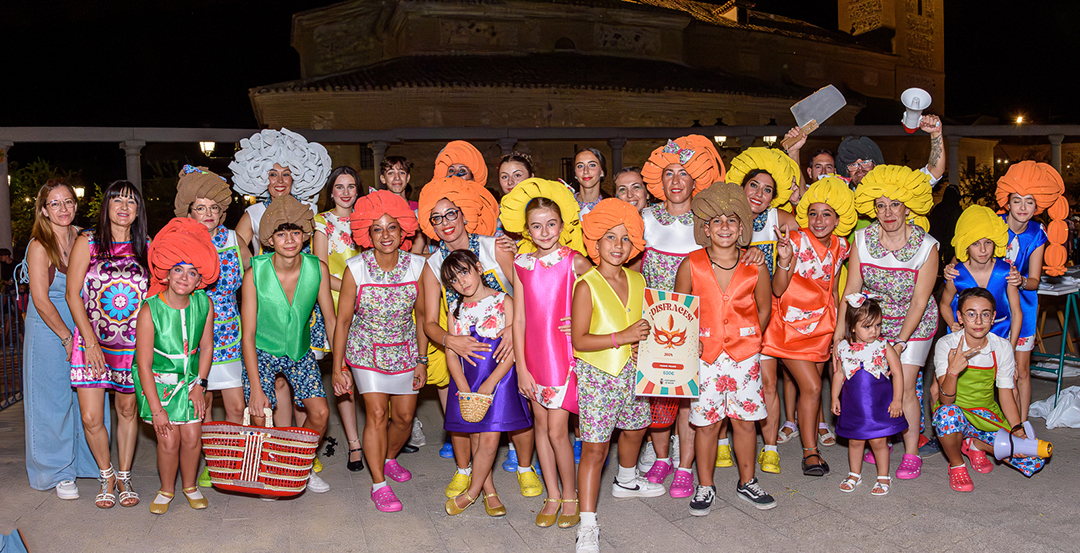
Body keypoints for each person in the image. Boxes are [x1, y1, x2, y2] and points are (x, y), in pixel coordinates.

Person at [416, 176, 541, 498]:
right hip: (465, 346)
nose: (445, 223)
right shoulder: (431, 265)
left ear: (464, 214)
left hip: (510, 340)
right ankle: (468, 470)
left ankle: (525, 467)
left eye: (451, 214)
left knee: (519, 410)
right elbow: (429, 321)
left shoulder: (494, 245)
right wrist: (449, 340)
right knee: (467, 412)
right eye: (436, 218)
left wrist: (516, 330)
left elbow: (525, 290)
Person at [674, 181, 776, 516]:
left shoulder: (755, 264)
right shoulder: (691, 264)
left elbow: (764, 308)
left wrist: (748, 337)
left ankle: (747, 481)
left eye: (732, 220)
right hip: (705, 356)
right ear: (705, 228)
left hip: (744, 355)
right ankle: (705, 485)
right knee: (706, 423)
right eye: (716, 221)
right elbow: (679, 311)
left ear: (742, 226)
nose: (724, 227)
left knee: (746, 422)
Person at [635, 135, 725, 498]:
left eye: (684, 174)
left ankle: (685, 466)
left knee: (690, 398)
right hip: (653, 325)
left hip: (696, 324)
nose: (675, 181)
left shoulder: (707, 222)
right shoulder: (643, 219)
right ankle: (661, 457)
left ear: (696, 181)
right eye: (669, 173)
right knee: (657, 396)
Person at [835, 165, 938, 481]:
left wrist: (901, 341)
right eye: (880, 205)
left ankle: (911, 452)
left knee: (904, 386)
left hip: (914, 324)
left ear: (908, 206)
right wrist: (841, 334)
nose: (888, 212)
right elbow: (851, 292)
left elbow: (920, 301)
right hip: (872, 323)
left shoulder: (927, 246)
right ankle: (880, 433)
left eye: (895, 204)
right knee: (869, 382)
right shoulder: (861, 240)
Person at [572, 199, 661, 553]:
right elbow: (579, 339)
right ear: (595, 243)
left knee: (637, 426)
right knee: (595, 449)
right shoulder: (586, 285)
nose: (617, 245)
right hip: (597, 376)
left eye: (625, 239)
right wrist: (621, 338)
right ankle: (587, 524)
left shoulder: (639, 280)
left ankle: (626, 479)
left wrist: (648, 346)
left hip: (632, 375)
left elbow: (648, 327)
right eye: (610, 237)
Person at [501, 178, 589, 528]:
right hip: (534, 357)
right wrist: (521, 367)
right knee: (540, 426)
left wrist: (584, 322)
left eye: (551, 224)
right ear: (527, 230)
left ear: (561, 225)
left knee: (557, 431)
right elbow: (519, 318)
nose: (544, 231)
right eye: (536, 226)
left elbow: (601, 294)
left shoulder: (574, 261)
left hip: (563, 356)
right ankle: (551, 494)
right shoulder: (522, 264)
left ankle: (571, 495)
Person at [332, 190, 427, 512]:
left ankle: (387, 458)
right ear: (366, 234)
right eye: (377, 228)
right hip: (365, 351)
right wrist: (337, 367)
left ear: (403, 231)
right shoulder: (355, 268)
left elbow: (424, 317)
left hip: (406, 352)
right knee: (375, 415)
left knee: (403, 418)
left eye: (391, 228)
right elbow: (343, 321)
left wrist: (422, 361)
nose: (385, 235)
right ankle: (378, 484)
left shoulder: (418, 266)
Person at [240, 195, 337, 493]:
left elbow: (331, 320)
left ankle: (296, 464)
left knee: (320, 414)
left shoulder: (316, 268)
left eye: (295, 231)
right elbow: (248, 333)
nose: (290, 239)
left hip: (299, 351)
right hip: (261, 352)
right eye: (281, 233)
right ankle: (271, 474)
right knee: (260, 415)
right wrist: (256, 388)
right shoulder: (254, 272)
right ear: (269, 239)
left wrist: (341, 366)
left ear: (305, 235)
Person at [761, 177, 855, 476]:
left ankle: (809, 443)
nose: (818, 220)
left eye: (826, 214)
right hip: (787, 328)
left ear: (838, 218)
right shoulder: (795, 240)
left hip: (823, 329)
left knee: (810, 392)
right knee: (814, 387)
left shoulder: (843, 246)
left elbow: (836, 288)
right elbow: (777, 288)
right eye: (813, 213)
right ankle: (810, 452)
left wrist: (842, 326)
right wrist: (785, 260)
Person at [67, 180, 149, 508]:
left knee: (127, 409)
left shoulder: (147, 246)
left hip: (132, 345)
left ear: (138, 211)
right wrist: (89, 341)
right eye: (117, 200)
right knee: (90, 417)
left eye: (131, 202)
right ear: (106, 206)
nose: (124, 206)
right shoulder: (87, 242)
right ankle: (107, 474)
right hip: (92, 341)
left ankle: (125, 476)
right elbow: (73, 294)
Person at [18, 179, 99, 499]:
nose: (63, 208)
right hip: (51, 330)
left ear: (76, 206)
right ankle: (56, 471)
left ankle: (87, 464)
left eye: (68, 202)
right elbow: (40, 298)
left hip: (84, 325)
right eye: (55, 203)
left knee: (88, 400)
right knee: (53, 402)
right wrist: (67, 338)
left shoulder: (86, 238)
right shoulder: (39, 245)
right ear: (43, 210)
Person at [727, 148, 806, 468]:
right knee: (725, 380)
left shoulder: (777, 219)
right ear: (741, 188)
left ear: (775, 197)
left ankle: (770, 447)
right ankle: (721, 441)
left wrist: (786, 259)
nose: (759, 193)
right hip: (729, 312)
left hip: (766, 311)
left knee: (768, 382)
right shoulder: (723, 218)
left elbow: (814, 219)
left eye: (768, 189)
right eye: (754, 186)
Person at [172, 166, 250, 489]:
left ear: (222, 211)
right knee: (201, 409)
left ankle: (230, 461)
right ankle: (211, 462)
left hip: (230, 334)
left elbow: (255, 280)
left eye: (214, 208)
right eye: (200, 207)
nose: (208, 213)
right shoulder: (180, 240)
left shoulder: (233, 239)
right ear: (190, 210)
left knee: (235, 405)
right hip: (192, 336)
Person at [134, 218, 218, 514]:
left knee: (193, 437)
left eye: (192, 272)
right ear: (166, 274)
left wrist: (201, 385)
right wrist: (156, 409)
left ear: (199, 280)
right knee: (168, 440)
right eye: (178, 270)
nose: (184, 277)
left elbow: (206, 346)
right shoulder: (150, 309)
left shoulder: (203, 304)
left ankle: (190, 486)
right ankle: (166, 489)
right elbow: (143, 364)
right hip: (158, 385)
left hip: (192, 382)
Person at [441, 250, 531, 518]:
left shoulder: (504, 301)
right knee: (477, 438)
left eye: (464, 272)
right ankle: (489, 492)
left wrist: (491, 381)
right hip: (467, 382)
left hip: (499, 380)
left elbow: (514, 346)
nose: (461, 282)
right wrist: (462, 386)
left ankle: (470, 493)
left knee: (491, 440)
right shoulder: (455, 310)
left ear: (478, 267)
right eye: (454, 280)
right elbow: (451, 353)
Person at [932, 288, 1047, 492]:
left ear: (993, 317)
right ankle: (957, 463)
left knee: (1032, 459)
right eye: (971, 314)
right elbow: (945, 400)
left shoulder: (1001, 347)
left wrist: (1016, 429)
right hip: (956, 412)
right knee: (945, 415)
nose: (978, 321)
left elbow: (1006, 395)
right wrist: (953, 372)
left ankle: (977, 444)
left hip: (986, 416)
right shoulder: (946, 345)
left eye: (985, 314)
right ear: (959, 316)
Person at [991, 161, 1070, 421]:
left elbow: (1035, 280)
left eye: (1029, 202)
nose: (1023, 208)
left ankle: (1022, 423)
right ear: (1007, 202)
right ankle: (996, 421)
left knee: (1021, 369)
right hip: (992, 306)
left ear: (1038, 206)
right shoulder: (992, 225)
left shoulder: (1038, 233)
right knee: (993, 369)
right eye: (1017, 201)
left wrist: (1021, 280)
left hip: (1023, 307)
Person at [314, 166, 366, 471]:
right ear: (331, 191)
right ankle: (354, 443)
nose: (345, 192)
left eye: (351, 186)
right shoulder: (322, 222)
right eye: (339, 187)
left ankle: (378, 435)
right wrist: (352, 290)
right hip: (335, 302)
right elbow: (321, 268)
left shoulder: (368, 218)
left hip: (371, 303)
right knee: (343, 375)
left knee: (371, 374)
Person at [831, 295, 907, 496]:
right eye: (867, 326)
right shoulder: (843, 348)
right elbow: (839, 374)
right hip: (853, 404)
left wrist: (897, 399)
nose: (874, 331)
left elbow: (897, 372)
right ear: (853, 327)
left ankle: (883, 476)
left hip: (878, 404)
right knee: (854, 441)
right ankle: (854, 473)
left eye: (878, 325)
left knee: (879, 441)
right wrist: (834, 397)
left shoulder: (883, 346)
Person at [940, 205, 1021, 344]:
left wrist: (1011, 347)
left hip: (1000, 333)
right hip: (965, 335)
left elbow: (1016, 313)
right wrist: (953, 323)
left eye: (988, 242)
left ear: (996, 242)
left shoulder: (1006, 273)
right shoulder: (957, 274)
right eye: (975, 244)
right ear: (965, 245)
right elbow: (944, 304)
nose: (983, 250)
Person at [834, 115, 945, 189]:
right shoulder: (840, 197)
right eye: (853, 165)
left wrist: (936, 133)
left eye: (865, 162)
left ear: (875, 164)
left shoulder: (894, 187)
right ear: (847, 171)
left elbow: (934, 172)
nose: (860, 169)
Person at [573, 148, 607, 217]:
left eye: (592, 165)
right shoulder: (565, 204)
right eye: (580, 166)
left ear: (602, 172)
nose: (586, 171)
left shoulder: (611, 206)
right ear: (575, 173)